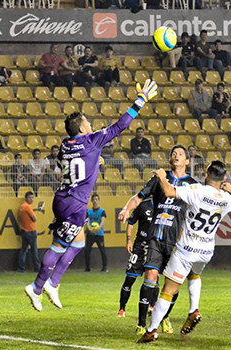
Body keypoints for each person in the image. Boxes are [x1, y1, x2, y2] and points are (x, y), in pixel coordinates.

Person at [24, 79, 158, 312]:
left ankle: (52, 284)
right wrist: (141, 100)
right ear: (83, 129)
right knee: (59, 247)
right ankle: (38, 287)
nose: (91, 124)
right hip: (75, 204)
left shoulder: (66, 144)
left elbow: (67, 161)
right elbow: (120, 125)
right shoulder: (92, 140)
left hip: (62, 198)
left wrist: (93, 161)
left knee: (78, 242)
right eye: (87, 122)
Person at [138, 161, 231, 343]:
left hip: (186, 249)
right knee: (194, 275)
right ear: (224, 178)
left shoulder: (198, 190)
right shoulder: (226, 199)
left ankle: (151, 330)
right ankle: (193, 309)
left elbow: (170, 192)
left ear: (208, 175)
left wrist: (162, 177)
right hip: (206, 250)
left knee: (168, 290)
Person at [118, 145, 199, 335]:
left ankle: (163, 317)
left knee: (172, 285)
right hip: (156, 236)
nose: (176, 155)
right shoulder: (158, 179)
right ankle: (141, 323)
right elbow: (139, 197)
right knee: (150, 277)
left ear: (187, 161)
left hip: (177, 241)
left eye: (180, 154)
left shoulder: (193, 185)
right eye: (173, 153)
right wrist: (127, 209)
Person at [118, 197, 153, 318]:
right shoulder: (143, 205)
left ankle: (151, 306)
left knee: (154, 279)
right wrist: (128, 240)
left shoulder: (163, 207)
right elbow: (131, 222)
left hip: (153, 248)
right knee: (130, 278)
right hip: (139, 246)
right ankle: (122, 308)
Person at [17, 192, 41, 273]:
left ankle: (20, 268)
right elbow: (34, 219)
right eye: (30, 198)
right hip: (30, 231)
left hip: (24, 231)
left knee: (23, 250)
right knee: (34, 250)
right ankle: (37, 268)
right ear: (26, 198)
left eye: (32, 197)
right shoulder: (27, 207)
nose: (32, 199)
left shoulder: (22, 207)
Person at [84, 193, 108, 272]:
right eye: (94, 199)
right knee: (87, 251)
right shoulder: (88, 211)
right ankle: (87, 268)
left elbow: (103, 221)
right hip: (90, 234)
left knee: (102, 251)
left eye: (96, 199)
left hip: (99, 234)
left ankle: (105, 267)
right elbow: (87, 221)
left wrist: (98, 228)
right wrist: (89, 229)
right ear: (91, 201)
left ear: (99, 200)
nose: (95, 201)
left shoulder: (102, 211)